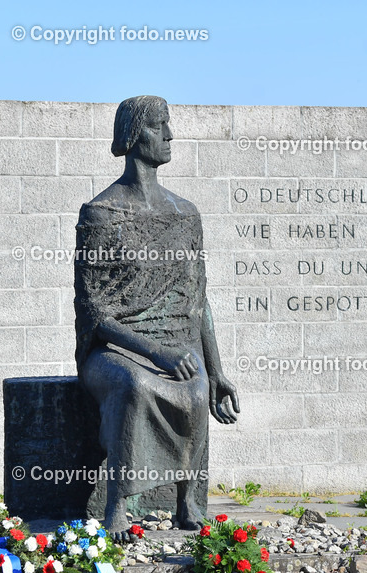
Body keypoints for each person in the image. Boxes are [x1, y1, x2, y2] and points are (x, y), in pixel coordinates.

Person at [74, 95, 239, 541]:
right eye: (157, 126)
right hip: (114, 350)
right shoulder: (101, 214)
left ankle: (189, 501)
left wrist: (217, 371)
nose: (169, 135)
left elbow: (198, 300)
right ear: (132, 136)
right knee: (135, 384)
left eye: (168, 124)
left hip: (174, 346)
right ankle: (117, 506)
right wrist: (157, 353)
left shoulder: (185, 214)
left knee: (196, 386)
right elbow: (96, 313)